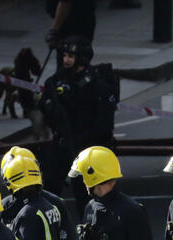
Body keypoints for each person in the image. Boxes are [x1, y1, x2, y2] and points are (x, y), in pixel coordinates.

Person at [39, 36, 118, 217]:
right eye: (64, 55)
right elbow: (45, 103)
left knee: (86, 192)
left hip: (87, 146)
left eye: (71, 56)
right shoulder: (57, 80)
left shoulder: (96, 83)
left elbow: (103, 120)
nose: (66, 60)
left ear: (82, 57)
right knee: (49, 186)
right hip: (63, 142)